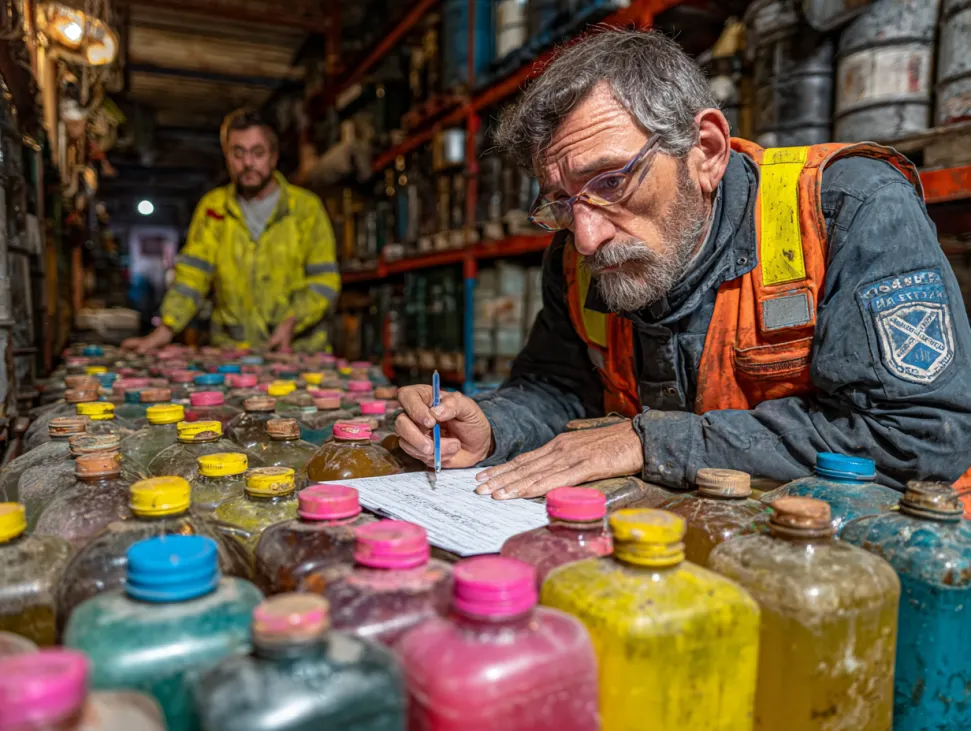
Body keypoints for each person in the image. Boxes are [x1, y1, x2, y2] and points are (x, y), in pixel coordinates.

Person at [393, 29, 971, 503]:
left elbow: (918, 438)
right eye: (562, 202)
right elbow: (561, 386)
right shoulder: (575, 255)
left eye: (613, 181)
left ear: (707, 152)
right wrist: (494, 427)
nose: (587, 238)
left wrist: (649, 441)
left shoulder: (846, 209)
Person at [122, 108, 340, 353]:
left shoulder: (306, 209)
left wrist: (293, 320)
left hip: (299, 353)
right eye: (238, 153)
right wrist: (166, 328)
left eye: (258, 153)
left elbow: (324, 281)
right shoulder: (213, 209)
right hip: (234, 355)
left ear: (273, 157)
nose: (248, 163)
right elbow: (192, 276)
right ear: (226, 156)